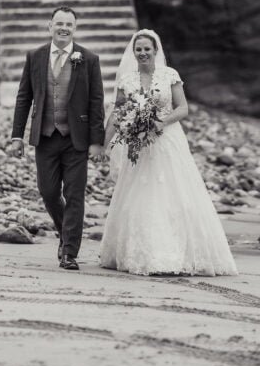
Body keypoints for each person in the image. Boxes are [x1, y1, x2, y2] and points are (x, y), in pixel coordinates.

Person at [100, 28, 237, 277]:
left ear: (155, 51)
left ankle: (176, 252)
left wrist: (160, 122)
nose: (142, 53)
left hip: (168, 142)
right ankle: (140, 251)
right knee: (140, 193)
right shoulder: (127, 81)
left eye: (146, 49)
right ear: (134, 52)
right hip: (139, 145)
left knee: (174, 192)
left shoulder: (169, 75)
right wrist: (103, 143)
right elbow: (117, 114)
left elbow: (183, 108)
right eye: (138, 49)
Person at [6, 6, 105, 271]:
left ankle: (69, 253)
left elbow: (97, 102)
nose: (64, 28)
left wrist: (98, 141)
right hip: (46, 136)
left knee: (74, 195)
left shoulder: (89, 59)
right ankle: (65, 233)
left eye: (69, 24)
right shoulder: (35, 56)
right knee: (49, 192)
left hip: (77, 139)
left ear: (75, 28)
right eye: (59, 23)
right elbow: (24, 97)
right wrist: (17, 136)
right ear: (49, 26)